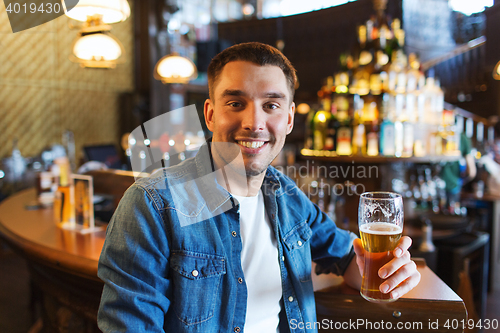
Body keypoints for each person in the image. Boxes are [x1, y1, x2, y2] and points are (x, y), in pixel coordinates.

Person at [97, 42, 420, 333]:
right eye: (236, 103)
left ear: (289, 119)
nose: (254, 122)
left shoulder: (288, 197)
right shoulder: (152, 204)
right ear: (210, 115)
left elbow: (350, 260)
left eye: (271, 105)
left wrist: (389, 271)